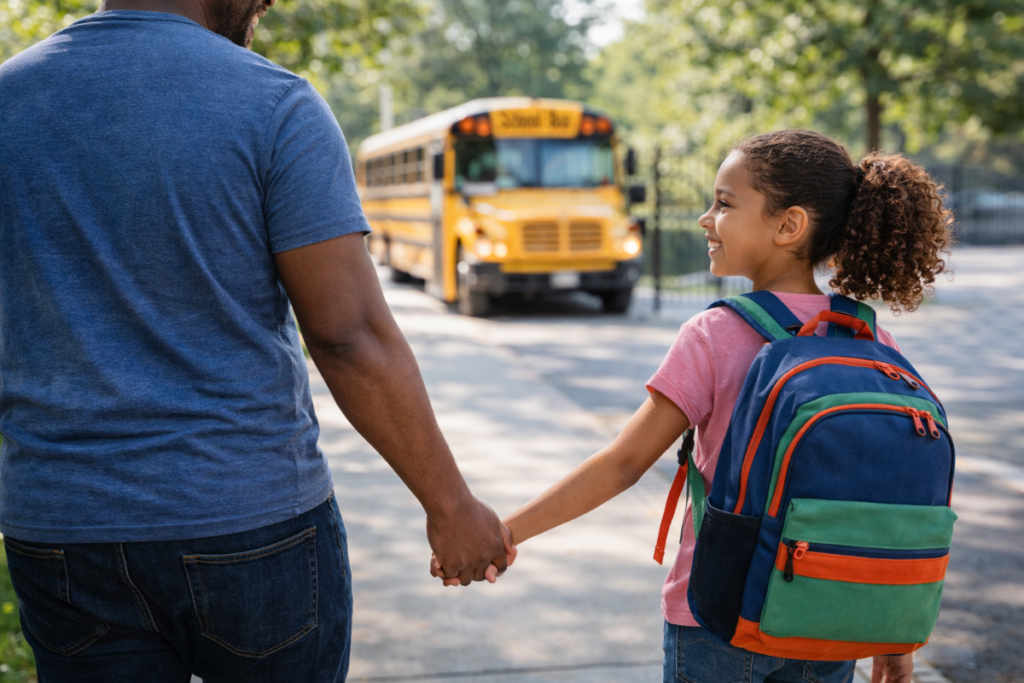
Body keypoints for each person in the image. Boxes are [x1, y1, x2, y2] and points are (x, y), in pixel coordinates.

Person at [0, 1, 509, 680]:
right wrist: (450, 505)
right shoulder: (272, 104)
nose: (265, 4)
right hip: (248, 521)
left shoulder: (9, 100)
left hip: (62, 525)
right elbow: (348, 334)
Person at [443, 130, 952, 683]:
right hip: (828, 616)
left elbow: (622, 464)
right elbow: (892, 495)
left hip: (719, 616)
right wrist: (890, 635)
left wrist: (506, 533)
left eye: (725, 204)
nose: (706, 219)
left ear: (789, 225)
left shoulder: (715, 333)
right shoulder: (869, 341)